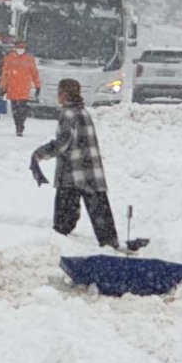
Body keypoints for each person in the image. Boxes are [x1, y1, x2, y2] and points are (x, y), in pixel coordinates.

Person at [31, 78, 119, 248]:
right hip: (91, 170)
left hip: (72, 172)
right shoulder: (83, 111)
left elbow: (62, 144)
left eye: (59, 92)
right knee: (99, 210)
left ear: (64, 94)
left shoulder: (68, 114)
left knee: (64, 215)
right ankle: (110, 242)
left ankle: (60, 243)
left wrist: (39, 154)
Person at [0, 39, 41, 136]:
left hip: (24, 88)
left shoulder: (29, 59)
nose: (20, 49)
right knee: (15, 110)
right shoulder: (10, 58)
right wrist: (3, 86)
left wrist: (38, 85)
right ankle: (17, 126)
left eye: (22, 47)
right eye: (19, 47)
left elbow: (34, 73)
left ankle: (20, 125)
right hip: (12, 88)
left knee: (22, 110)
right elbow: (5, 73)